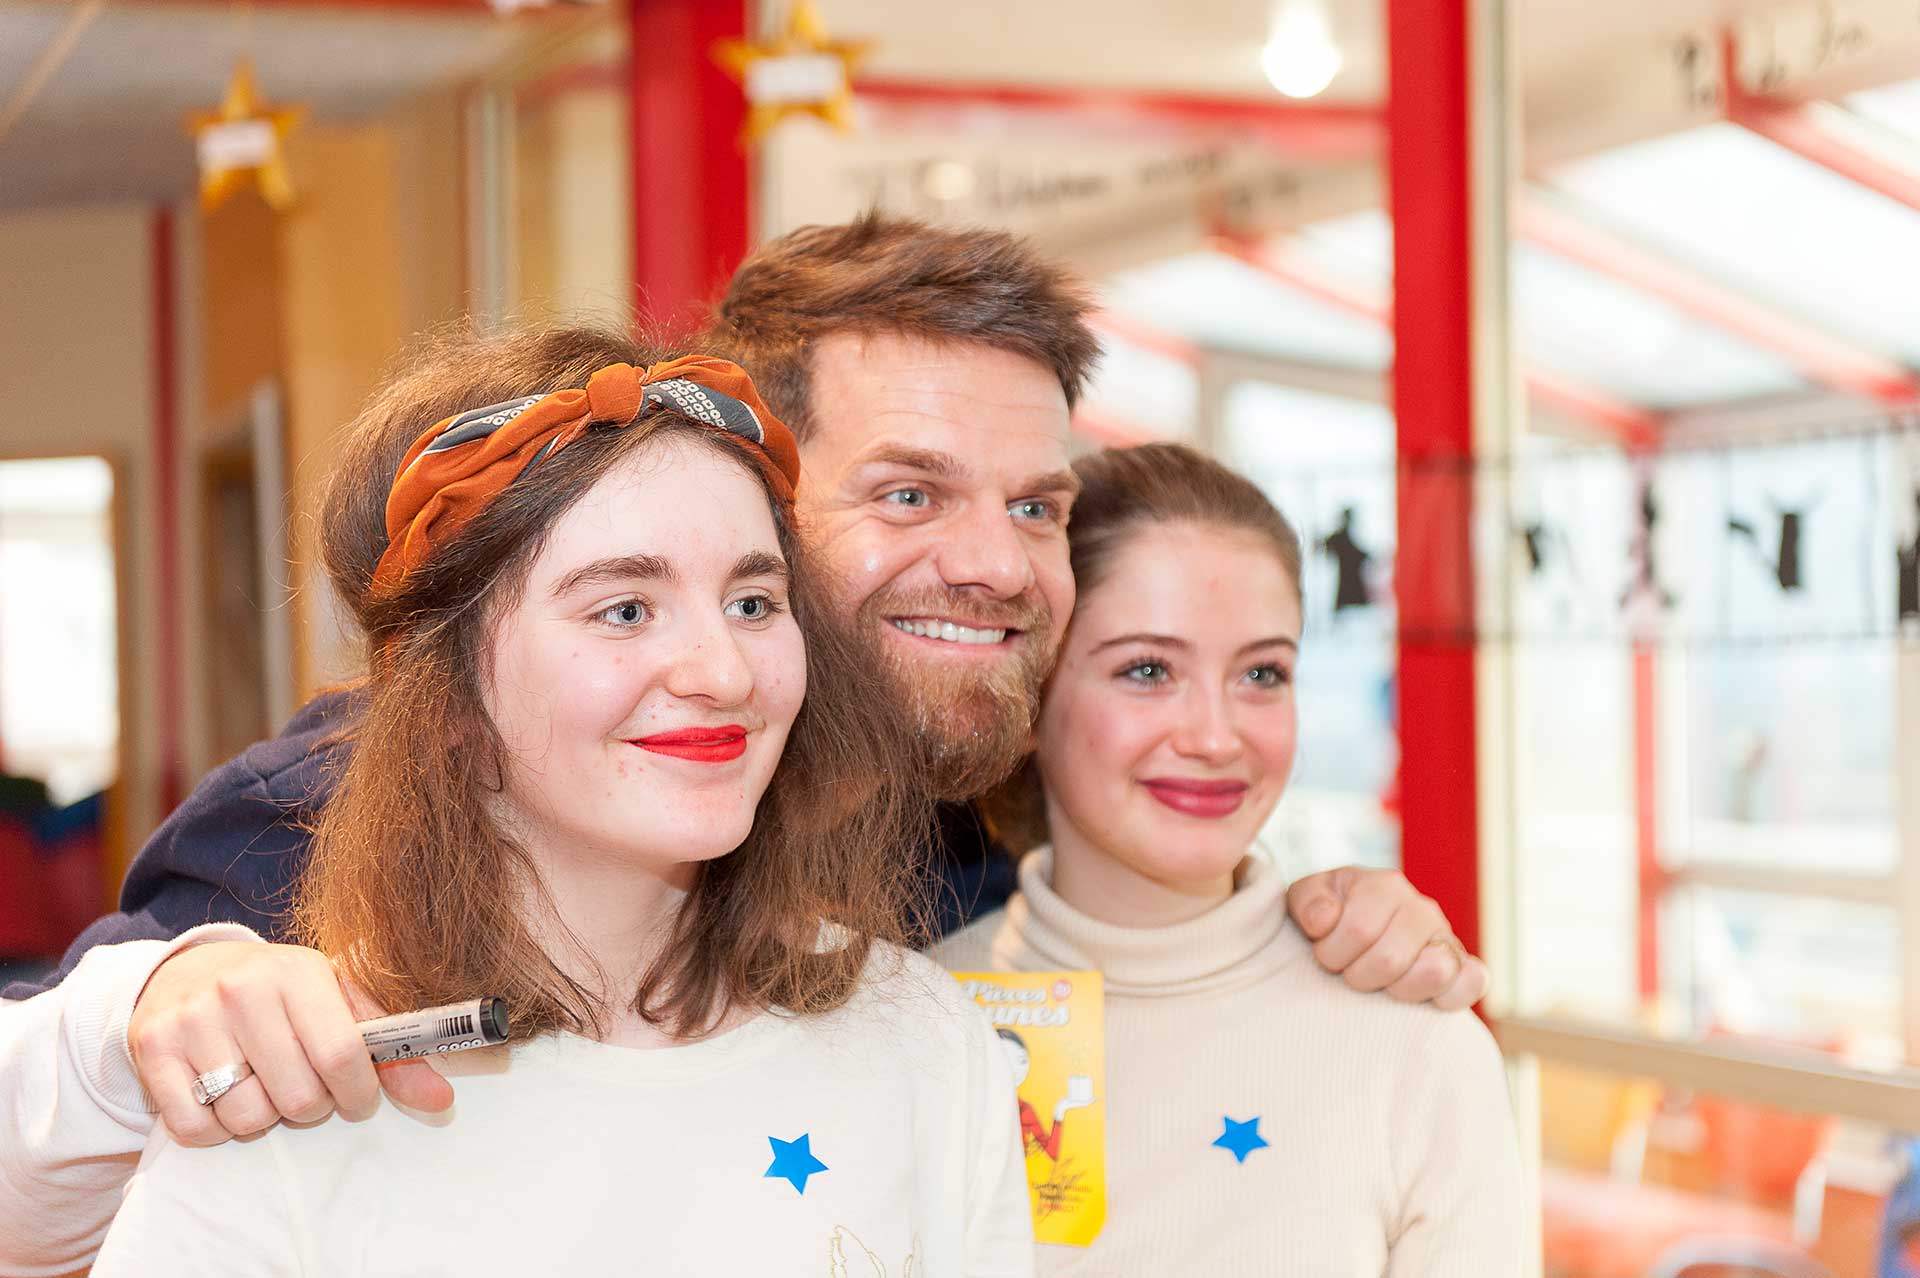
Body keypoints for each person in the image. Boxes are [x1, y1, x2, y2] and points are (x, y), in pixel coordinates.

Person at [0, 216, 1479, 1273]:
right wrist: (166, 993)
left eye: (1035, 506)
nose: (996, 563)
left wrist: (1302, 902)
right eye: (910, 494)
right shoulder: (313, 817)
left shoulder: (961, 844)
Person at [84, 327, 1031, 1274]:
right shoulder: (293, 1098)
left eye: (753, 602)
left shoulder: (922, 1044)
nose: (723, 670)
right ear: (444, 692)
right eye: (624, 608)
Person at [937, 444, 1523, 1275]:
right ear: (1025, 696)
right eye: (1148, 670)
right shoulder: (918, 1019)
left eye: (1261, 672)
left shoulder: (1414, 1045)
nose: (1216, 736)